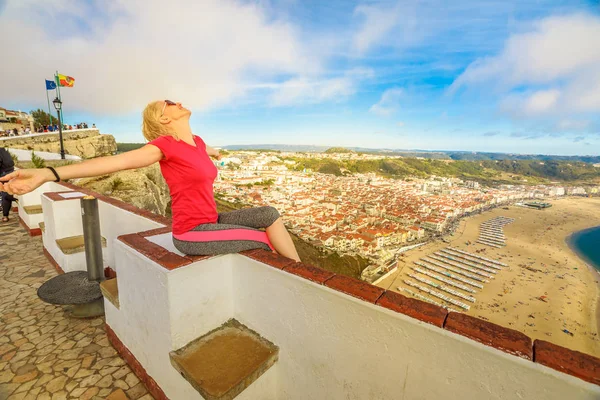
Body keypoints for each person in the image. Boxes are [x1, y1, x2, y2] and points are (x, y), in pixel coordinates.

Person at [0, 100, 301, 261]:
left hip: (212, 218)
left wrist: (228, 154)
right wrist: (47, 173)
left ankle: (301, 270)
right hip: (191, 232)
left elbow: (212, 152)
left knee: (269, 215)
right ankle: (299, 279)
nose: (178, 102)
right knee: (263, 239)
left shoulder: (197, 142)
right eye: (169, 103)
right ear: (164, 119)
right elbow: (115, 162)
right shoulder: (163, 147)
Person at [0, 148, 16, 222]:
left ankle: (5, 214)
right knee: (7, 194)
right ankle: (5, 215)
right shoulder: (3, 150)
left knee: (5, 194)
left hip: (3, 174)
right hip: (11, 172)